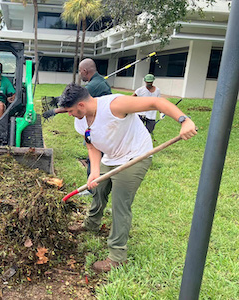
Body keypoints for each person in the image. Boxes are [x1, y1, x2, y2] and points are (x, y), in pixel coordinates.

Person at [59, 83, 197, 273]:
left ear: (81, 105)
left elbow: (157, 103)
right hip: (111, 157)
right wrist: (95, 170)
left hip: (135, 156)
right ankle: (91, 224)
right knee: (98, 190)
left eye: (71, 110)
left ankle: (117, 257)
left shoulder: (115, 105)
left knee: (120, 204)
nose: (69, 114)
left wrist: (184, 120)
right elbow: (91, 144)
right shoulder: (80, 120)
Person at [42, 58, 111, 120]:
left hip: (104, 119)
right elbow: (76, 95)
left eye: (80, 71)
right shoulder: (98, 80)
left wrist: (54, 111)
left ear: (85, 71)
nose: (80, 74)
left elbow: (74, 102)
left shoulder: (93, 85)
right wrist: (57, 99)